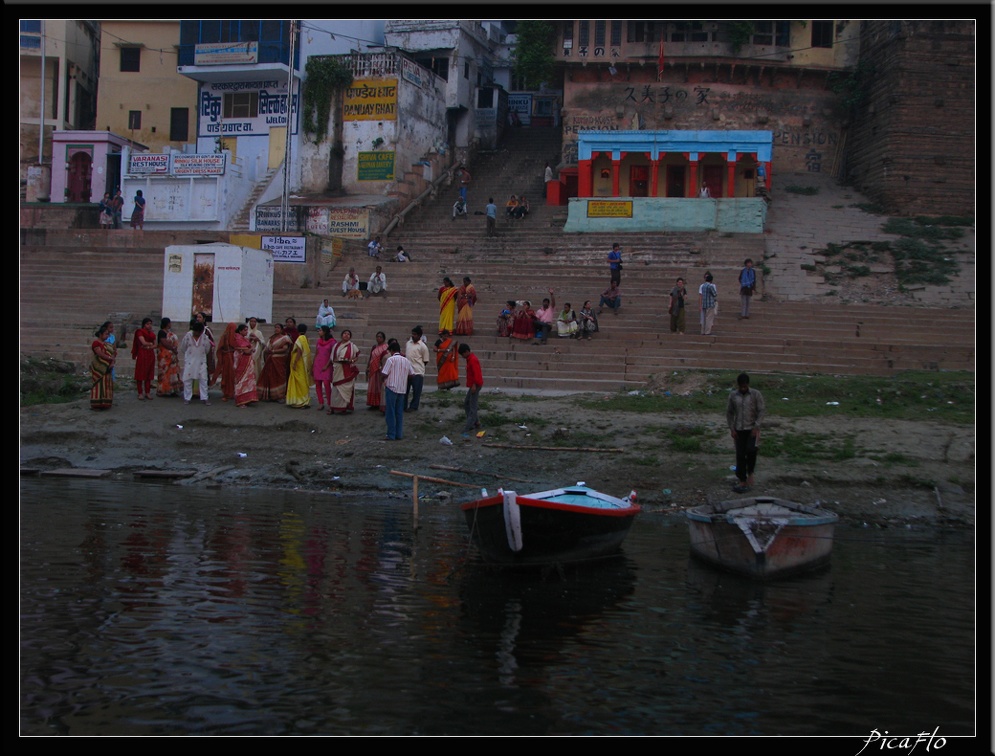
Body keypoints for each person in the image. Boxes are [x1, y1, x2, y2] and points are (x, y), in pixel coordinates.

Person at [727, 372, 766, 493]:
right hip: (738, 429)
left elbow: (761, 411)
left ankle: (750, 473)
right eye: (741, 386)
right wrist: (732, 428)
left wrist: (757, 427)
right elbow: (729, 413)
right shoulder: (733, 395)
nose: (743, 388)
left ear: (748, 385)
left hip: (752, 429)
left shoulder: (755, 394)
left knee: (751, 451)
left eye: (744, 386)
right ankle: (742, 479)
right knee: (740, 455)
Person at [381, 341, 414, 441]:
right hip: (402, 389)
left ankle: (391, 434)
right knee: (399, 412)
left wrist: (383, 379)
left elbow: (384, 373)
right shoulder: (406, 360)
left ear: (391, 350)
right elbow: (412, 374)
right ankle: (398, 434)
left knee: (390, 412)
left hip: (391, 387)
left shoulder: (391, 359)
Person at [257, 323, 292, 402]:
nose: (276, 329)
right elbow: (266, 348)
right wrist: (267, 352)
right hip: (270, 360)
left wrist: (273, 351)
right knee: (269, 376)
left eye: (278, 327)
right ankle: (269, 395)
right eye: (275, 327)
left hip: (279, 361)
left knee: (279, 377)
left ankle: (279, 396)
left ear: (282, 329)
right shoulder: (271, 338)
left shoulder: (284, 338)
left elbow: (285, 349)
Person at [179, 321, 212, 405]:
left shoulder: (205, 337)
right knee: (187, 380)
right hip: (190, 361)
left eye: (199, 332)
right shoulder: (187, 336)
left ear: (201, 332)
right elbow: (183, 348)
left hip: (201, 361)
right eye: (195, 332)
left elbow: (207, 349)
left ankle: (205, 397)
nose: (197, 333)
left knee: (203, 380)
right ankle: (187, 397)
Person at [330, 329, 360, 414]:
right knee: (336, 388)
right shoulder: (336, 345)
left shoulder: (352, 346)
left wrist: (352, 361)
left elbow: (356, 356)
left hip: (347, 369)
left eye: (348, 334)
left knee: (347, 388)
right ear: (341, 335)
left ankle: (344, 407)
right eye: (344, 333)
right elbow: (332, 357)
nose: (346, 335)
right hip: (338, 369)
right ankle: (335, 407)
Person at [458, 343, 483, 439]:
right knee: (467, 403)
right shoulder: (470, 360)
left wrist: (474, 385)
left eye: (463, 354)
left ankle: (468, 426)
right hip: (474, 385)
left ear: (467, 352)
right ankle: (476, 422)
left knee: (472, 406)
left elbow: (476, 374)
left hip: (475, 385)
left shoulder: (473, 360)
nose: (463, 357)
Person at [90, 321, 116, 410]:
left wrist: (112, 362)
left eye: (108, 334)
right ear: (100, 335)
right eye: (105, 334)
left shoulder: (108, 344)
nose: (107, 336)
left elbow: (113, 353)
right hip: (99, 368)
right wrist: (110, 358)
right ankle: (97, 404)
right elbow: (100, 354)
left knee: (106, 384)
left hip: (108, 367)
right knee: (99, 385)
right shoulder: (96, 343)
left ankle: (106, 403)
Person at [232, 323, 259, 408]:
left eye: (247, 330)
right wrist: (251, 349)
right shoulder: (238, 338)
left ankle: (248, 399)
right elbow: (246, 351)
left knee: (249, 380)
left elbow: (248, 348)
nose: (246, 331)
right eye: (244, 330)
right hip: (242, 362)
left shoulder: (243, 338)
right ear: (240, 331)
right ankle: (241, 401)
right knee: (242, 381)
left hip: (247, 362)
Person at [286, 324, 313, 408]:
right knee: (303, 381)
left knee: (298, 381)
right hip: (303, 363)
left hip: (298, 363)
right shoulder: (305, 338)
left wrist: (295, 363)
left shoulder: (300, 338)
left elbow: (299, 351)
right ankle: (304, 399)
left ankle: (299, 401)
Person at [404, 326, 430, 411]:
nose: (413, 336)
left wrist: (418, 367)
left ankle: (413, 406)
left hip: (417, 371)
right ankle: (403, 405)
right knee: (405, 390)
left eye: (415, 334)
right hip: (407, 371)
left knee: (416, 391)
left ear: (419, 336)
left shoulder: (423, 346)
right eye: (412, 334)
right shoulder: (408, 343)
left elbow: (425, 360)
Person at [130, 317, 157, 400]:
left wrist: (149, 346)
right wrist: (150, 344)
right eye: (147, 324)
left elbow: (156, 345)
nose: (149, 326)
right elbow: (143, 342)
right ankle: (140, 392)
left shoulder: (152, 334)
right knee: (140, 373)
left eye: (150, 324)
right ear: (144, 325)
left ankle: (147, 392)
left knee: (149, 373)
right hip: (142, 354)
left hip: (150, 354)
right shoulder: (140, 332)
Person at [313, 325, 337, 412]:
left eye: (320, 330)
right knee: (318, 384)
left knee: (327, 384)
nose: (319, 332)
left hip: (327, 365)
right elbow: (316, 353)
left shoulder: (332, 342)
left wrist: (327, 365)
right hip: (318, 364)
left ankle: (330, 403)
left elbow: (333, 355)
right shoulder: (319, 341)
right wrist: (313, 364)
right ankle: (320, 402)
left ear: (325, 332)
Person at [155, 318, 181, 397]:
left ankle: (172, 389)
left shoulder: (170, 333)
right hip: (164, 356)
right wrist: (172, 348)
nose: (170, 324)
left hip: (171, 356)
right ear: (167, 323)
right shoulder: (162, 332)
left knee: (172, 373)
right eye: (169, 323)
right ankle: (163, 390)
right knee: (164, 372)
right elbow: (163, 342)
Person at [212, 323, 238, 402]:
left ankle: (232, 392)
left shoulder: (236, 336)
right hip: (227, 358)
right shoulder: (224, 336)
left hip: (234, 358)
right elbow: (220, 348)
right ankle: (226, 393)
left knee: (233, 376)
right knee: (226, 375)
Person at [365, 331, 389, 411]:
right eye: (377, 336)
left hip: (380, 370)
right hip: (372, 369)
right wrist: (368, 366)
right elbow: (371, 357)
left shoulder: (386, 347)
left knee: (379, 386)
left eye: (380, 337)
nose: (378, 338)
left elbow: (386, 358)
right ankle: (372, 403)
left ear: (384, 338)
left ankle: (379, 403)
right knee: (372, 386)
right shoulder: (374, 347)